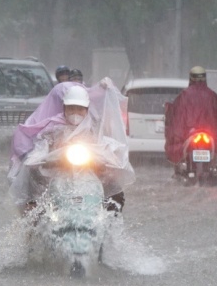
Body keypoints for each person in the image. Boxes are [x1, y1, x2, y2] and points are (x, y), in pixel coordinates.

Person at [9, 79, 134, 215]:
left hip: (90, 171)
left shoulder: (94, 128)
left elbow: (103, 145)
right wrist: (40, 157)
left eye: (79, 109)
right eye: (71, 108)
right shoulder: (52, 127)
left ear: (86, 109)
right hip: (55, 172)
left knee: (114, 188)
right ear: (64, 108)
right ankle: (33, 221)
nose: (75, 112)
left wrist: (110, 156)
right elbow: (41, 147)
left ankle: (111, 223)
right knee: (32, 178)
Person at [164, 66, 217, 172]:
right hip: (209, 134)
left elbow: (176, 115)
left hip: (190, 134)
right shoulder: (211, 95)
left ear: (191, 78)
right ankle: (212, 163)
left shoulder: (184, 95)